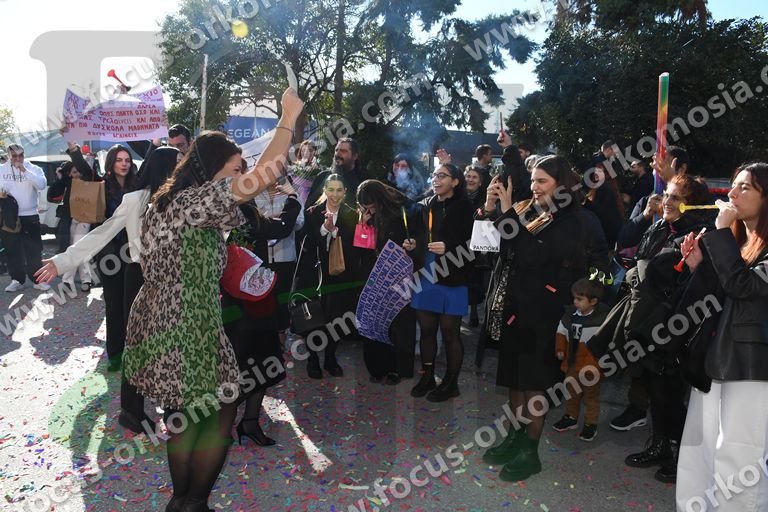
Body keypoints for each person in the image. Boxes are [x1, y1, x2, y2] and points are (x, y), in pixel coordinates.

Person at [121, 87, 302, 512]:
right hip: (187, 319)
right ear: (214, 164)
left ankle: (182, 501)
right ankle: (193, 502)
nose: (240, 175)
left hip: (165, 315)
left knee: (189, 414)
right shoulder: (192, 201)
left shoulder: (169, 202)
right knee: (218, 410)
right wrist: (287, 117)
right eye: (234, 168)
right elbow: (262, 176)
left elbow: (257, 183)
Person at [36, 147, 183, 435]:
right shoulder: (135, 200)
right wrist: (62, 261)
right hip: (139, 277)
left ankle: (172, 405)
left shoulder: (186, 200)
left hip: (173, 280)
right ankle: (131, 410)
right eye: (178, 162)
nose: (183, 166)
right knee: (138, 345)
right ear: (165, 167)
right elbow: (101, 234)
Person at [591, 174, 714, 484]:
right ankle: (660, 446)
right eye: (667, 195)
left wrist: (641, 272)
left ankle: (685, 458)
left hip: (673, 327)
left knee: (670, 395)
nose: (667, 202)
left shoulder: (699, 234)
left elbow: (669, 276)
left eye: (676, 197)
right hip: (646, 320)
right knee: (654, 389)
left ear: (693, 203)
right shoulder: (661, 226)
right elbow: (634, 251)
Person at [479, 155, 587, 482]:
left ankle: (531, 450)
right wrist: (491, 209)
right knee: (514, 378)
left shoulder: (572, 220)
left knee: (534, 383)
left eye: (542, 181)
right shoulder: (531, 210)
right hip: (515, 306)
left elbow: (533, 254)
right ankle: (514, 437)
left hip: (543, 312)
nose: (534, 186)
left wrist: (509, 212)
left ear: (560, 184)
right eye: (533, 180)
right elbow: (491, 245)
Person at [675, 163, 768, 512]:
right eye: (733, 185)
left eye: (745, 187)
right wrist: (701, 264)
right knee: (699, 447)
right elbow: (720, 293)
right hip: (715, 357)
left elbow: (744, 286)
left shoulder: (732, 238)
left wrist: (721, 234)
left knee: (740, 455)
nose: (732, 194)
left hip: (752, 367)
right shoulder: (738, 241)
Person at [610, 146, 690, 432]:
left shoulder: (694, 199)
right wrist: (645, 214)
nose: (656, 167)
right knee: (638, 359)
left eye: (663, 163)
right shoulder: (650, 198)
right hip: (642, 299)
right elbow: (625, 237)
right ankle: (637, 408)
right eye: (655, 163)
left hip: (672, 305)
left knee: (666, 376)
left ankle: (670, 433)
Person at [225, 164, 302, 447]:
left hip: (242, 296)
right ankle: (236, 423)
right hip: (246, 299)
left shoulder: (234, 208)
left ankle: (245, 423)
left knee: (249, 361)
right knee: (251, 361)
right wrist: (292, 199)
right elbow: (282, 227)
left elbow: (277, 228)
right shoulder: (241, 210)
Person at [408, 163, 474, 402]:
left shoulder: (466, 207)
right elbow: (418, 235)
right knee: (426, 330)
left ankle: (451, 382)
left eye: (442, 176)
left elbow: (476, 246)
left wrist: (450, 247)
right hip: (426, 275)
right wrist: (413, 244)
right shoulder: (426, 204)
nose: (436, 179)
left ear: (455, 181)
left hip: (453, 277)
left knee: (450, 333)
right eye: (434, 175)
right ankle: (427, 376)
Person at [356, 179, 423, 384]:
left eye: (371, 206)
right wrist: (364, 225)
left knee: (399, 324)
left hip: (401, 277)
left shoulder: (405, 210)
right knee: (373, 320)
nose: (369, 210)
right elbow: (361, 249)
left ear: (380, 199)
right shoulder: (367, 216)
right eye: (365, 207)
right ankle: (377, 367)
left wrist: (414, 245)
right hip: (374, 277)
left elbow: (421, 239)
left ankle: (398, 368)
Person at [303, 173, 364, 379]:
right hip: (315, 274)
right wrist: (324, 230)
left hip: (341, 276)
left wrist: (338, 234)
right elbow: (305, 243)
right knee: (313, 318)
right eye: (331, 190)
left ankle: (330, 358)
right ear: (324, 191)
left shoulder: (353, 215)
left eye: (339, 190)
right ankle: (312, 359)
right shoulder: (312, 212)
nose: (335, 195)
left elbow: (357, 249)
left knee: (336, 319)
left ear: (345, 192)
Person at [552, 278, 609, 441]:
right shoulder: (570, 316)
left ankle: (591, 424)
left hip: (592, 367)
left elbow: (608, 342)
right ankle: (571, 417)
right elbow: (561, 331)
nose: (575, 302)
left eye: (579, 299)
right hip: (573, 362)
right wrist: (560, 348)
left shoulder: (603, 319)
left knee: (591, 397)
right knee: (571, 391)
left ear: (593, 301)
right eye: (574, 298)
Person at [254, 177, 305, 343]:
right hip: (260, 257)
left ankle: (282, 342)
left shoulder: (290, 194)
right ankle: (266, 341)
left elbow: (299, 223)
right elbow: (255, 223)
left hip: (285, 255)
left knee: (282, 301)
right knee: (262, 300)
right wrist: (276, 221)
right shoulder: (254, 194)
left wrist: (280, 222)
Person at [47, 141, 100, 292]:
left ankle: (67, 280)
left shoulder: (88, 181)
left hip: (85, 219)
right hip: (70, 218)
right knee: (77, 248)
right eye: (74, 172)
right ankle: (86, 279)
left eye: (79, 172)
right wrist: (60, 178)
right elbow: (52, 195)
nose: (78, 175)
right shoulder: (68, 182)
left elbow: (89, 173)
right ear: (70, 174)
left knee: (76, 248)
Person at [0, 143, 50, 292]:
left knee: (33, 250)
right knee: (12, 250)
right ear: (9, 156)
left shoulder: (33, 168)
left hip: (30, 215)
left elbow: (42, 185)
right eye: (14, 156)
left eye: (20, 155)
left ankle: (37, 280)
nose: (18, 158)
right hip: (10, 216)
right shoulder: (2, 169)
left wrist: (25, 171)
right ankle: (17, 280)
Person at [305, 138, 367, 207]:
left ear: (354, 156)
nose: (338, 154)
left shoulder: (363, 181)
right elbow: (308, 207)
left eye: (343, 151)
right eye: (336, 150)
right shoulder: (322, 177)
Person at [464, 166, 489, 327]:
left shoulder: (486, 198)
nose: (470, 179)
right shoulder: (458, 196)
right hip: (459, 241)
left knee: (474, 280)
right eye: (468, 176)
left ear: (480, 182)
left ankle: (473, 311)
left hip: (478, 244)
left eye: (474, 177)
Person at [584, 163, 625, 249]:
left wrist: (585, 203)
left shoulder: (605, 189)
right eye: (595, 171)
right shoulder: (598, 188)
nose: (596, 173)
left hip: (609, 234)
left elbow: (601, 211)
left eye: (600, 172)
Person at [289, 139, 322, 204]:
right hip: (296, 200)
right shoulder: (294, 167)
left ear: (315, 152)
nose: (306, 153)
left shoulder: (319, 168)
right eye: (303, 150)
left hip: (313, 201)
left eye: (310, 150)